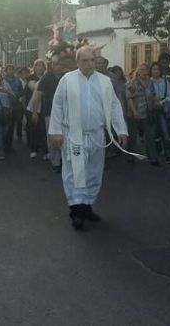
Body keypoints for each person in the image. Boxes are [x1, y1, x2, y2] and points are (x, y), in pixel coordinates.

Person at [48, 47, 128, 230]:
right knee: (76, 173)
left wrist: (121, 130)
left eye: (92, 60)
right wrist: (56, 132)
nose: (89, 64)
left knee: (93, 172)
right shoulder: (67, 80)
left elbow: (114, 106)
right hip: (74, 136)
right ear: (77, 62)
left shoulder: (105, 81)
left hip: (97, 135)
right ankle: (76, 211)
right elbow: (58, 105)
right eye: (85, 61)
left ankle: (87, 206)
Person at [33, 56, 66, 172]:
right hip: (50, 113)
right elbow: (38, 96)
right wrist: (35, 112)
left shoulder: (66, 77)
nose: (59, 66)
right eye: (57, 64)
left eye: (61, 64)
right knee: (52, 137)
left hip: (66, 113)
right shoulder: (46, 78)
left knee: (66, 137)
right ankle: (55, 162)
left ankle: (65, 161)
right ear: (52, 65)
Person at [125, 63, 159, 165]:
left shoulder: (150, 83)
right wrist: (134, 112)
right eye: (142, 70)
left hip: (147, 114)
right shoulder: (133, 83)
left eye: (145, 70)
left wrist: (156, 103)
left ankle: (153, 157)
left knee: (150, 136)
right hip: (135, 114)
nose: (144, 71)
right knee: (132, 136)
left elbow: (153, 95)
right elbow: (129, 98)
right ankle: (130, 156)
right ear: (138, 71)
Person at [149, 62, 170, 163]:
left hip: (162, 109)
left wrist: (162, 102)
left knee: (165, 132)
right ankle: (155, 152)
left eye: (157, 69)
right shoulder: (148, 82)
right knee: (154, 133)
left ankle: (167, 153)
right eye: (153, 69)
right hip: (151, 109)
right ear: (151, 71)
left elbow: (169, 95)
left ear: (160, 71)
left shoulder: (165, 82)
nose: (156, 71)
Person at [4, 64, 25, 147]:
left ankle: (19, 136)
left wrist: (18, 95)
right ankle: (8, 142)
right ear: (6, 71)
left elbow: (21, 91)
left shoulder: (18, 80)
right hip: (7, 104)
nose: (10, 71)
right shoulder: (3, 80)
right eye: (9, 69)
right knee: (10, 124)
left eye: (12, 69)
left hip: (17, 104)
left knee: (19, 121)